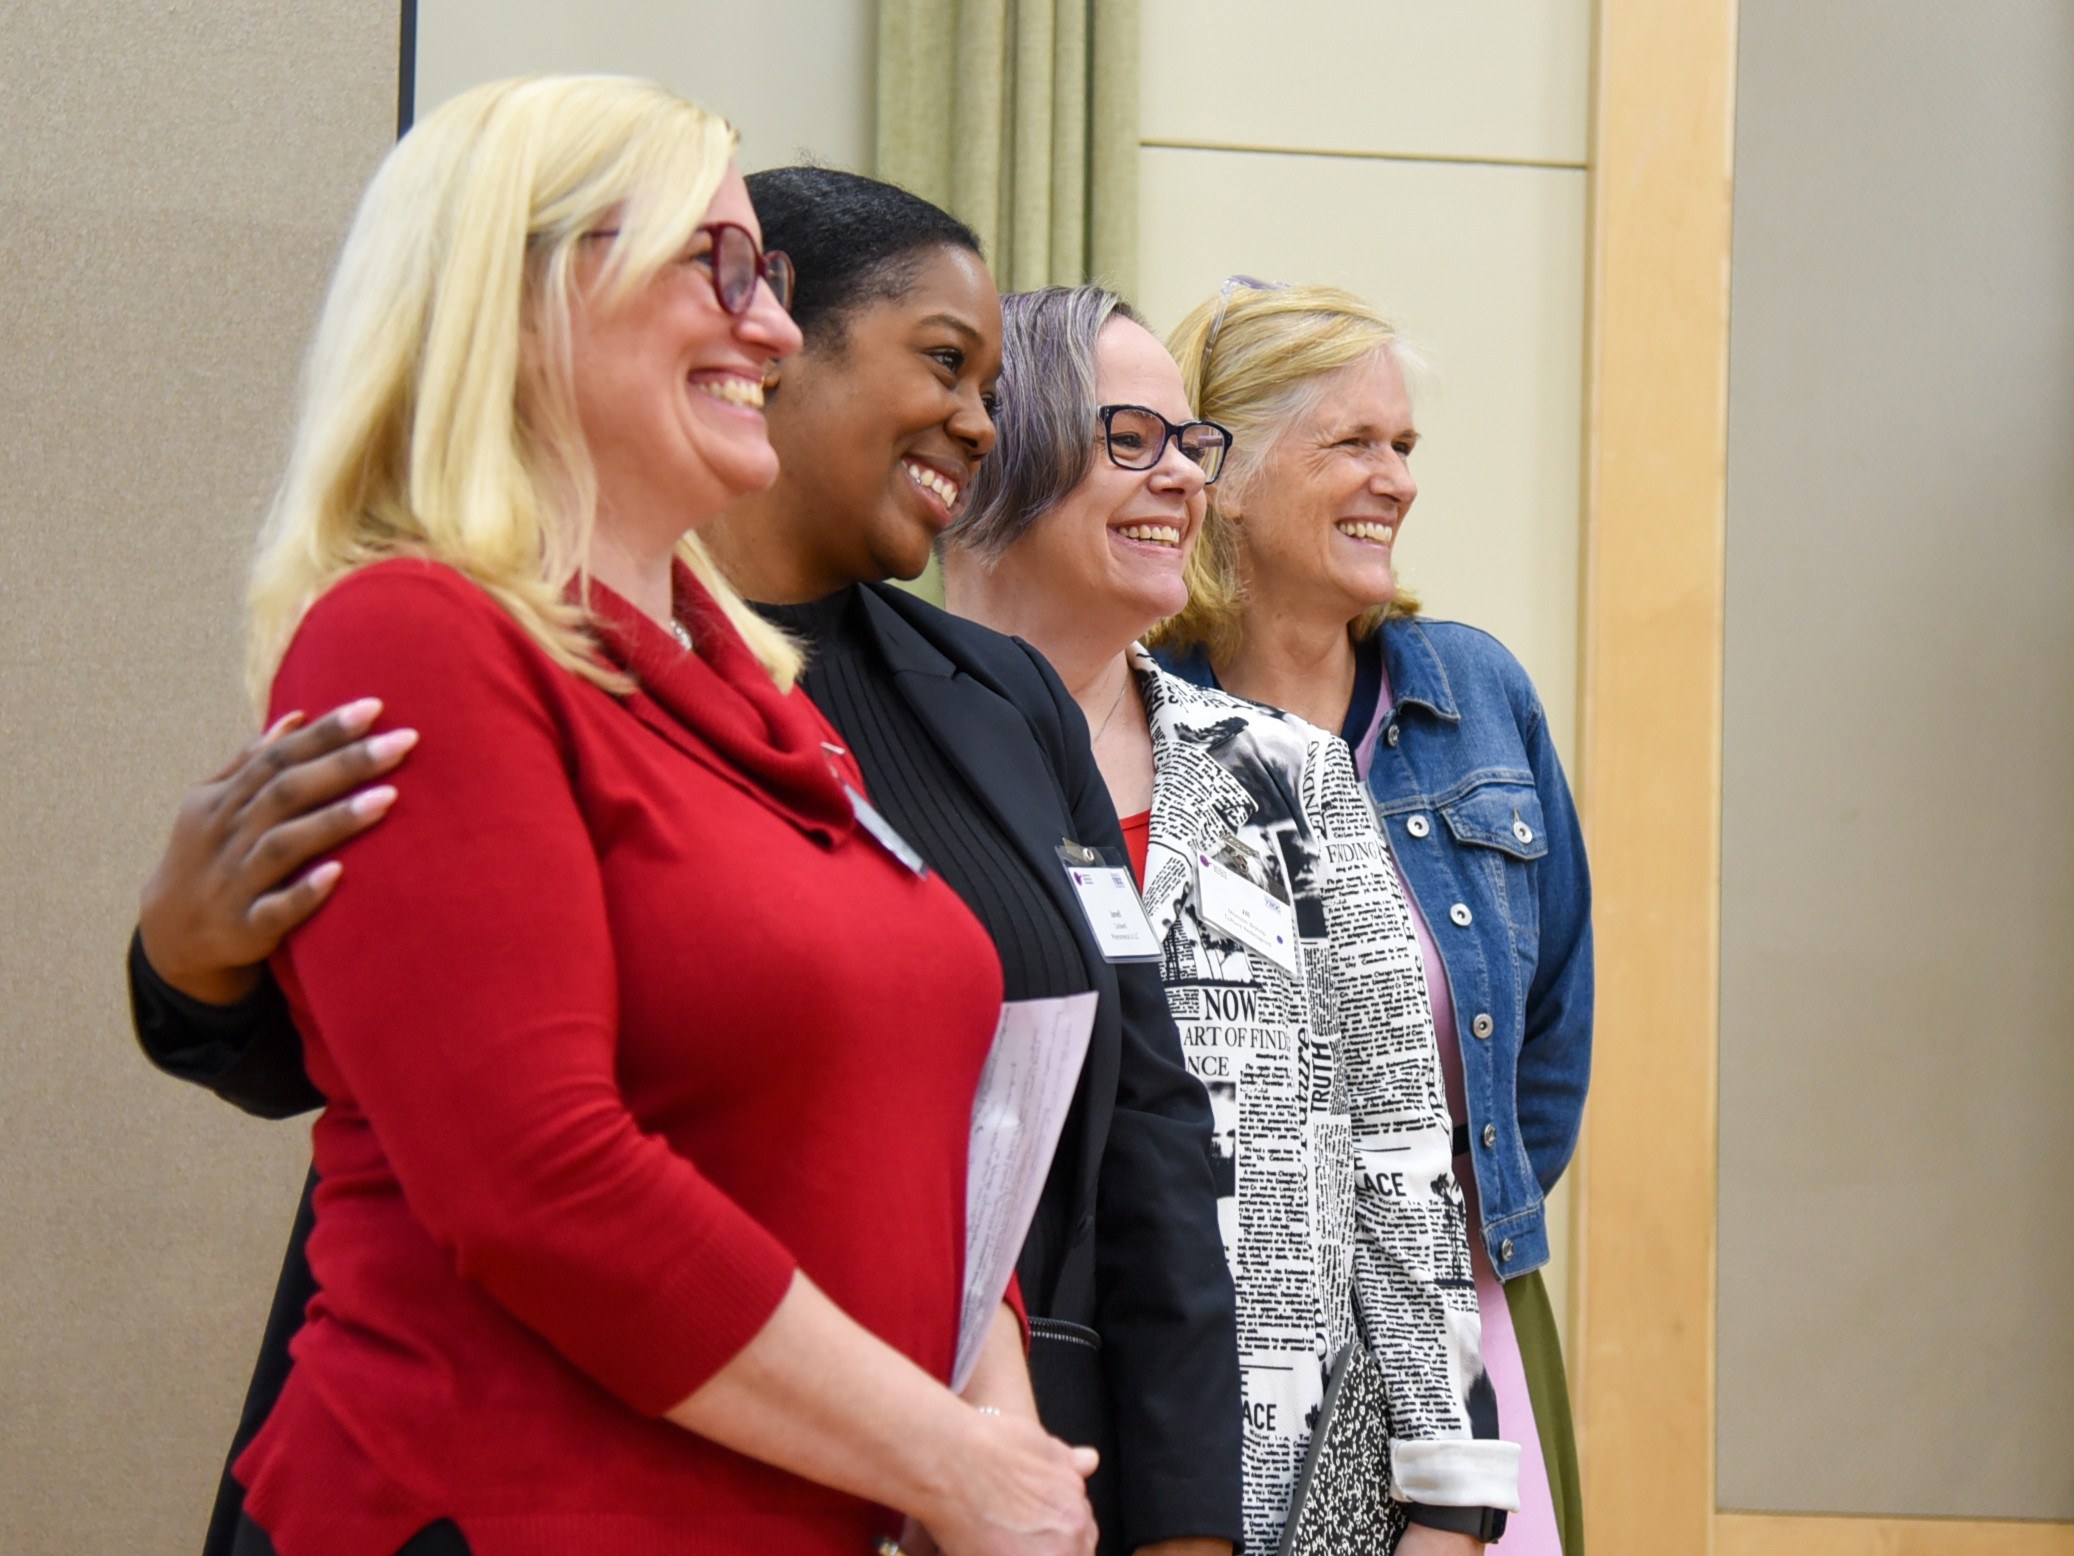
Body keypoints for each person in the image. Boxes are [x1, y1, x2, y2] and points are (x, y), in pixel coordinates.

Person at [128, 167, 1240, 1556]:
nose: (979, 422)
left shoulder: (986, 703)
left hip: (911, 1483)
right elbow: (445, 1096)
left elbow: (1103, 1119)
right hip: (546, 1466)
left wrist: (1142, 1503)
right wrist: (184, 966)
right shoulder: (494, 646)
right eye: (945, 364)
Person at [940, 285, 1523, 1553]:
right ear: (999, 450)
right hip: (943, 1462)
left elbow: (1400, 1164)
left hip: (1278, 1490)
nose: (1178, 483)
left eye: (1191, 446)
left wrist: (1448, 1499)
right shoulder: (856, 749)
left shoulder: (1282, 774)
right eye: (1128, 440)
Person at [1153, 280, 1595, 1555]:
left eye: (1403, 446)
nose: (1393, 479)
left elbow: (1549, 1025)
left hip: (1461, 1312)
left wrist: (1446, 1243)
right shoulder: (1135, 717)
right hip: (1212, 1337)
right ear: (1221, 475)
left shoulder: (1475, 692)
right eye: (1352, 442)